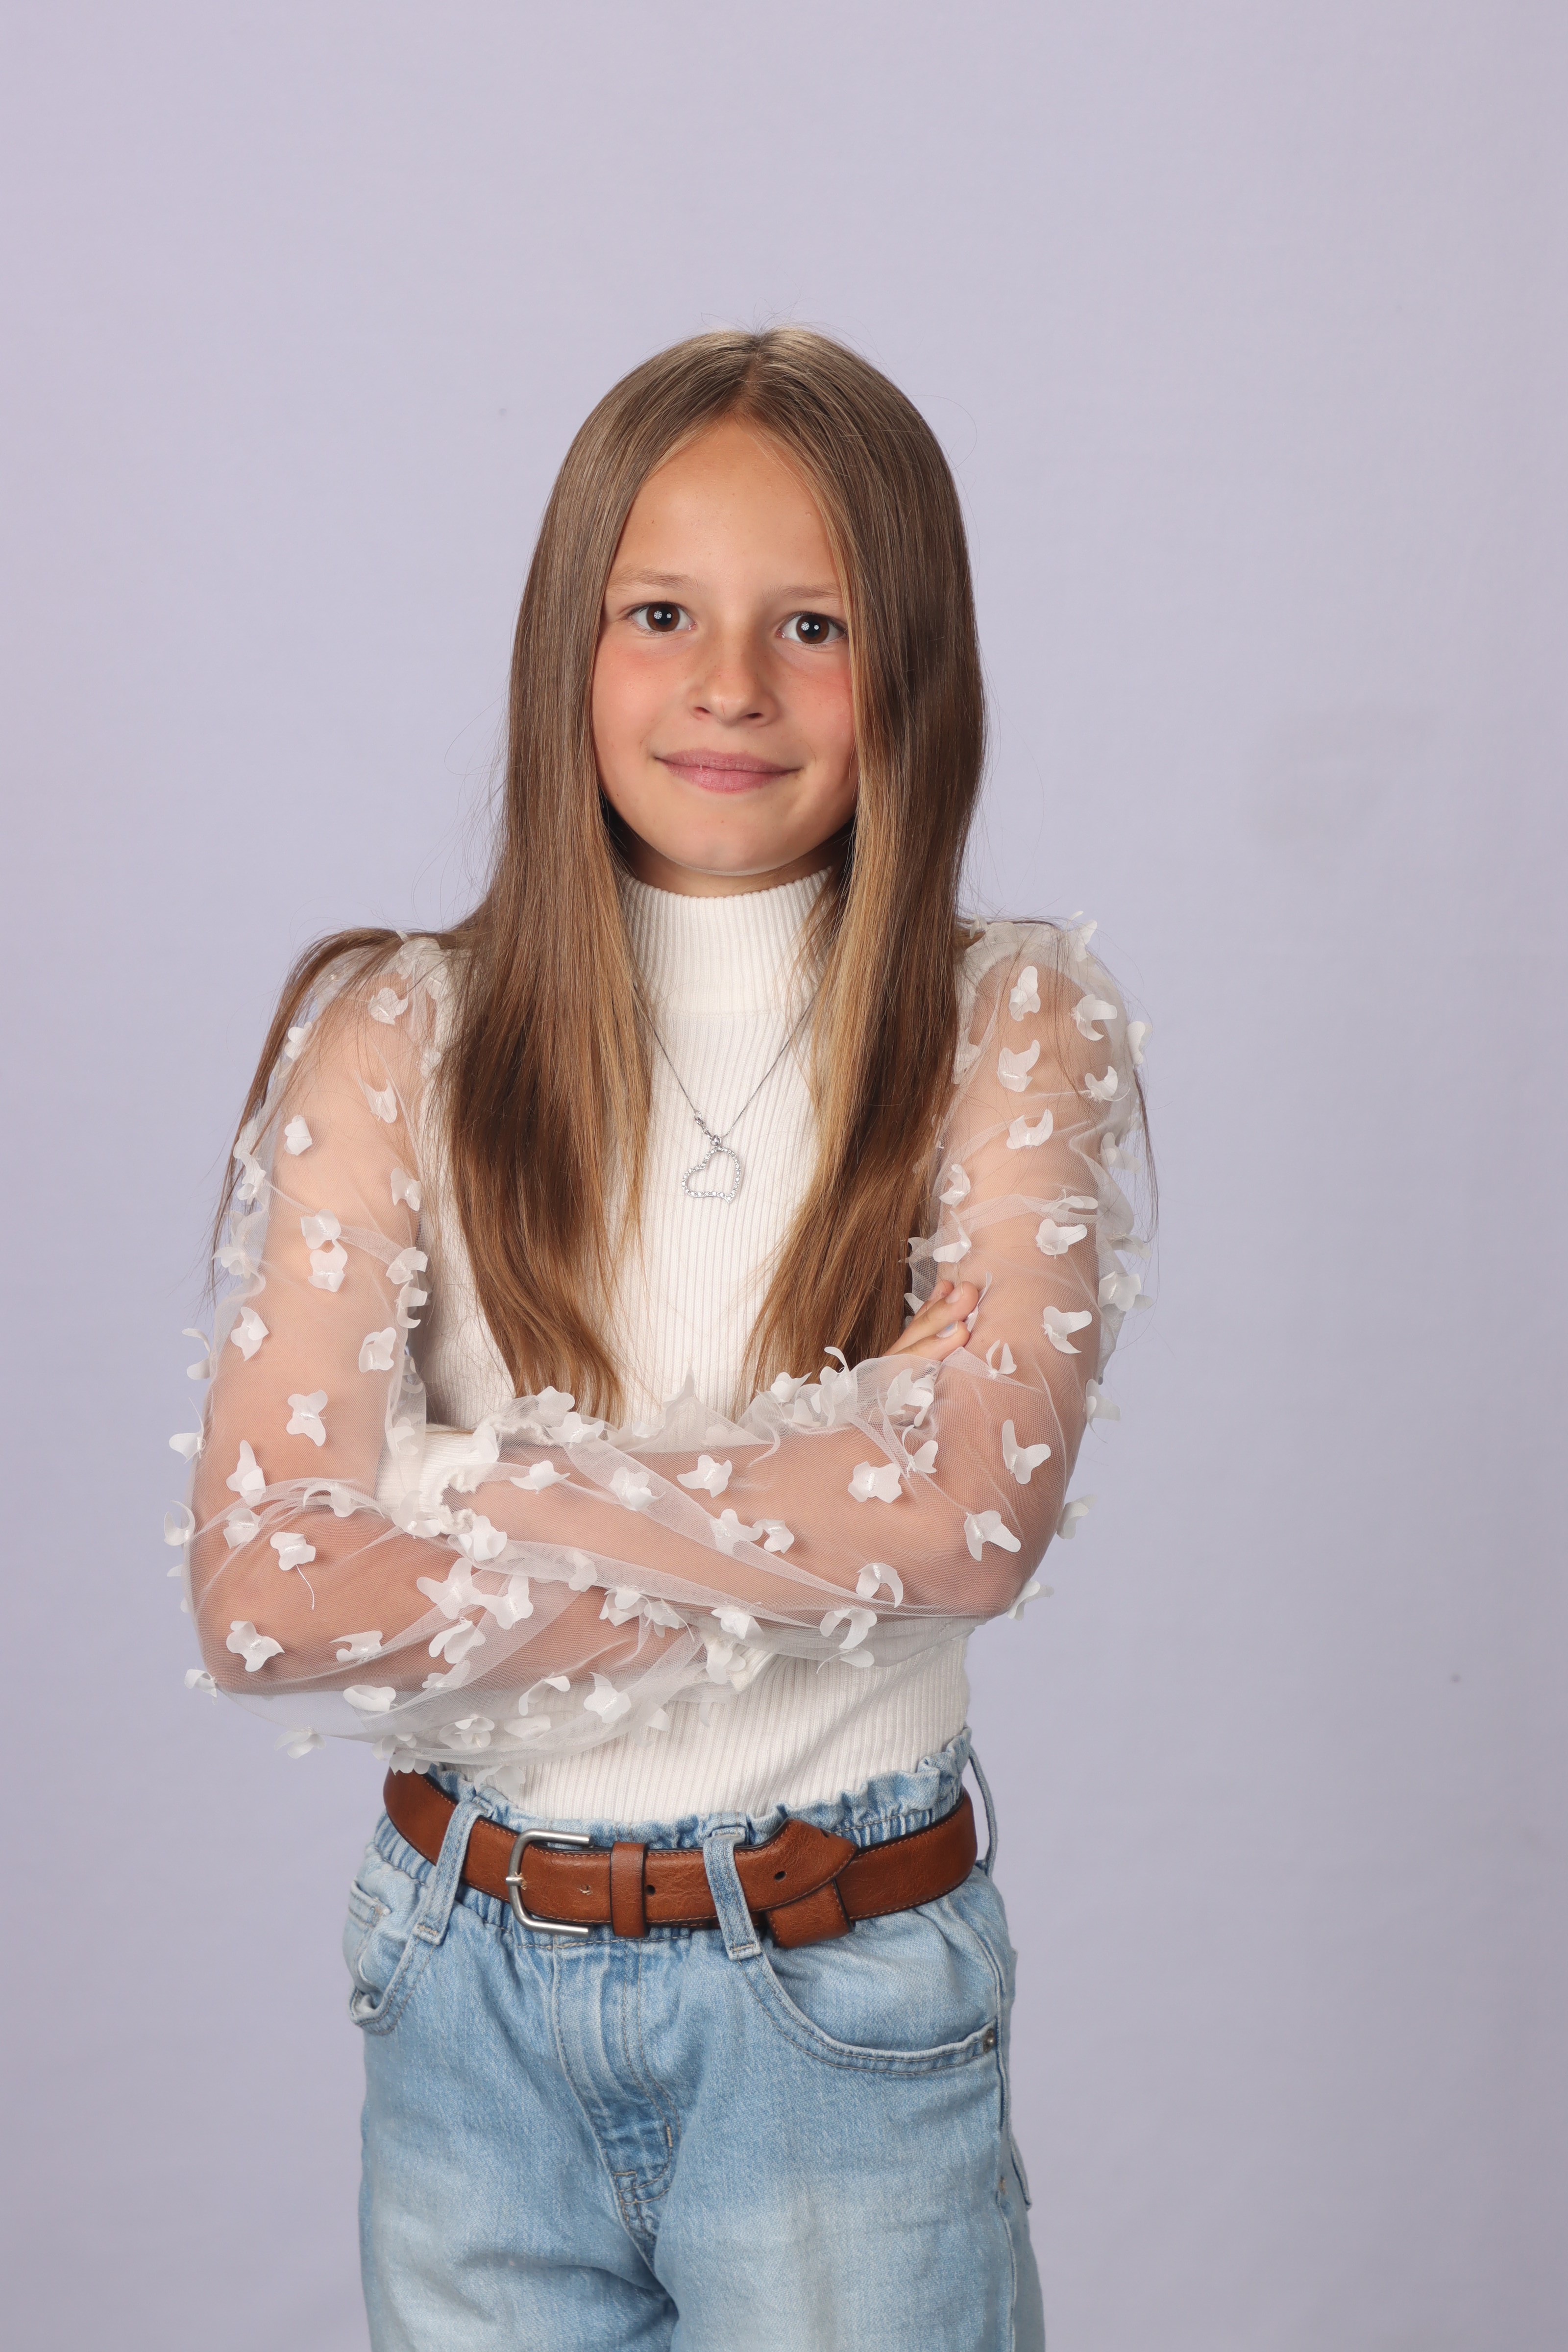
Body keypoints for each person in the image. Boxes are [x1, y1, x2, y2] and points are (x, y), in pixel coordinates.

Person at [174, 325, 1151, 2351]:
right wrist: (815, 1519)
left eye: (814, 624)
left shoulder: (1003, 1022)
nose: (730, 685)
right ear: (570, 647)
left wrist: (458, 1482)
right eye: (660, 614)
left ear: (916, 667)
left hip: (834, 1980)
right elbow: (268, 1591)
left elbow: (968, 1516)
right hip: (458, 1968)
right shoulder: (395, 1031)